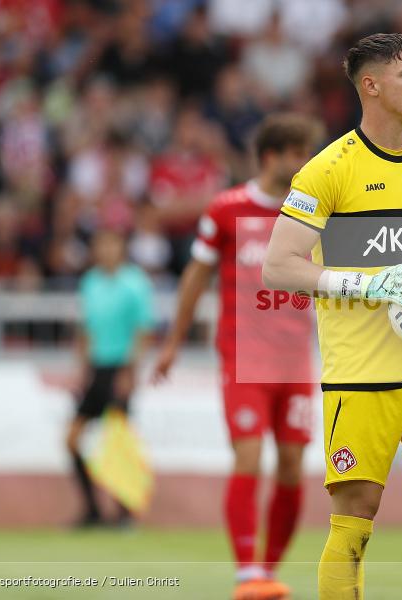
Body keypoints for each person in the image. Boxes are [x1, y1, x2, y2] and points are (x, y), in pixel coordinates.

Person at [263, 34, 402, 599]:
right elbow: (278, 267)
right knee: (355, 522)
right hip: (362, 376)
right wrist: (367, 283)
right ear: (372, 86)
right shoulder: (327, 171)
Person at [152, 113, 322, 600]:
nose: (305, 163)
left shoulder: (311, 214)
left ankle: (267, 570)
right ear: (272, 157)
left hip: (295, 361)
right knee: (248, 456)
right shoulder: (227, 209)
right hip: (243, 356)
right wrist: (171, 344)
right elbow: (195, 278)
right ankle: (247, 571)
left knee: (291, 466)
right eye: (297, 153)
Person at [67, 228, 155, 527]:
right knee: (72, 439)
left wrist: (131, 372)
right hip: (97, 367)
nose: (106, 250)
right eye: (101, 243)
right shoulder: (90, 282)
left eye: (111, 243)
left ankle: (123, 513)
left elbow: (142, 331)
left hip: (120, 368)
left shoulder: (134, 283)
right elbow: (85, 328)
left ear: (121, 248)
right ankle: (92, 509)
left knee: (118, 441)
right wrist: (82, 369)